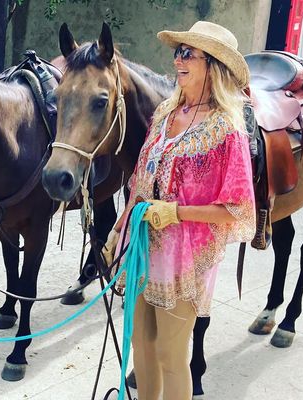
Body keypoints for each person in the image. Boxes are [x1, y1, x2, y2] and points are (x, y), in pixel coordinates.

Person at [105, 21, 256, 400]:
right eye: (178, 52)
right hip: (142, 249)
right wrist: (119, 227)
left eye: (189, 54)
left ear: (214, 66)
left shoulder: (226, 130)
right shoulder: (164, 115)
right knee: (141, 349)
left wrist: (176, 212)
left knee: (171, 355)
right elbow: (141, 180)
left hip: (185, 260)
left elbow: (235, 209)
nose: (179, 60)